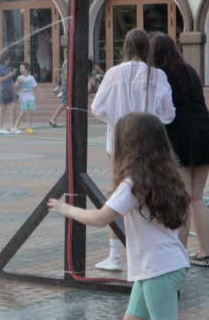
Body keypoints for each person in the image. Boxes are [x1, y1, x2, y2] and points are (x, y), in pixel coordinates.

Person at [48, 112, 189, 320]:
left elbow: (100, 218)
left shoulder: (132, 184)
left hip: (157, 269)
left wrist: (66, 209)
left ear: (127, 146)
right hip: (161, 265)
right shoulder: (166, 175)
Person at [91, 28, 175, 271]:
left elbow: (97, 107)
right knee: (152, 192)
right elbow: (169, 114)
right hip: (150, 142)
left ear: (125, 47)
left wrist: (116, 119)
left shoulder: (114, 73)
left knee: (118, 192)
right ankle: (151, 252)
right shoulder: (157, 75)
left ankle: (115, 255)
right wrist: (152, 118)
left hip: (119, 143)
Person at [150, 33, 209, 266]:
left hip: (181, 138)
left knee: (182, 199)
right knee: (197, 197)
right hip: (205, 132)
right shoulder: (190, 71)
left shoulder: (160, 75)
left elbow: (163, 110)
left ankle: (179, 255)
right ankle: (205, 251)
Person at [0, 52, 19, 134]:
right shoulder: (0, 68)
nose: (8, 61)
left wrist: (15, 90)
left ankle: (13, 127)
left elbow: (11, 80)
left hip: (10, 90)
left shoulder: (9, 68)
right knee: (2, 109)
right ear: (4, 60)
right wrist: (9, 75)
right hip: (3, 90)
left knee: (13, 108)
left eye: (9, 60)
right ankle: (0, 128)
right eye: (7, 59)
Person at [13, 62, 37, 133]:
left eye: (22, 68)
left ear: (27, 69)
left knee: (30, 112)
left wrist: (35, 95)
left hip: (30, 98)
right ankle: (15, 127)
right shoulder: (19, 78)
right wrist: (19, 83)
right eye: (20, 68)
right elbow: (15, 87)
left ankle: (29, 127)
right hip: (23, 97)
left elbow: (34, 86)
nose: (20, 69)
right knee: (23, 112)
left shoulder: (31, 77)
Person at [48, 60, 68, 128]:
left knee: (66, 104)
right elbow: (65, 75)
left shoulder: (66, 62)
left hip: (66, 86)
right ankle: (52, 119)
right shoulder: (67, 63)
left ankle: (53, 119)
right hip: (66, 86)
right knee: (64, 103)